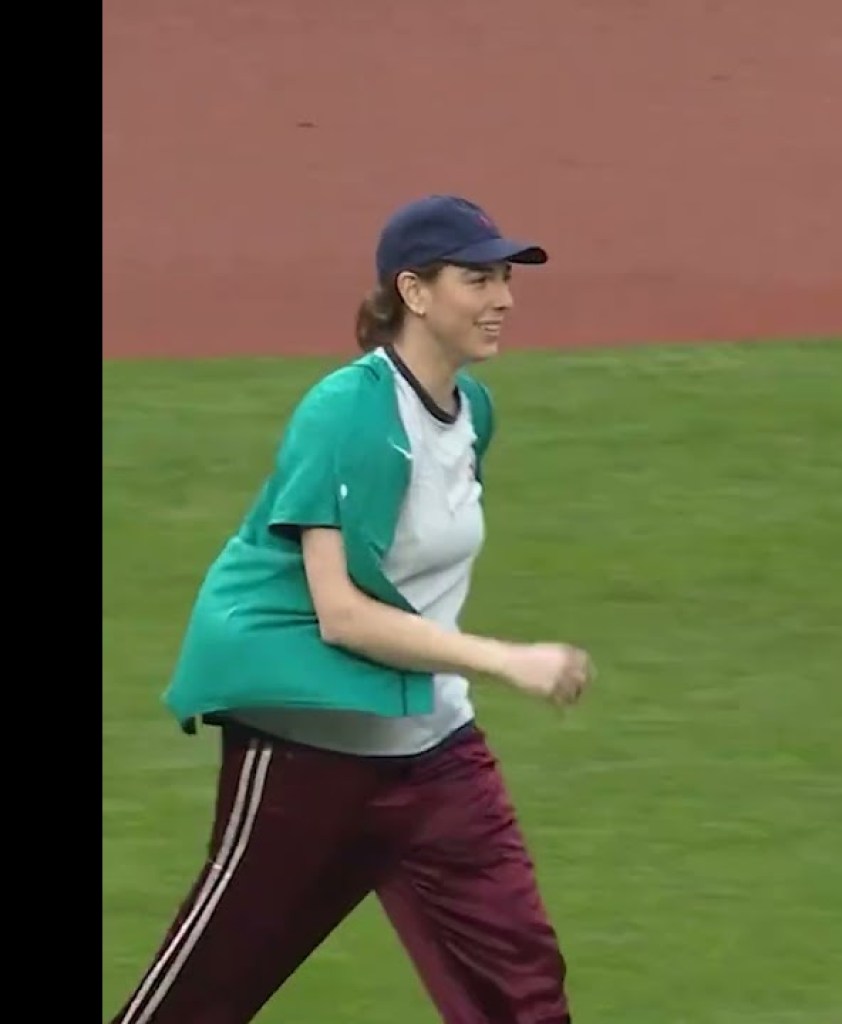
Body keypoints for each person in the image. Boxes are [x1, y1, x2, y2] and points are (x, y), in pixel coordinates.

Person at [109, 194, 595, 1024]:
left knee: (524, 990)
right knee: (204, 995)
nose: (504, 299)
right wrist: (506, 659)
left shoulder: (473, 413)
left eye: (506, 279)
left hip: (435, 757)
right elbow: (343, 614)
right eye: (479, 279)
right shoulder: (346, 413)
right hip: (309, 758)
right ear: (414, 291)